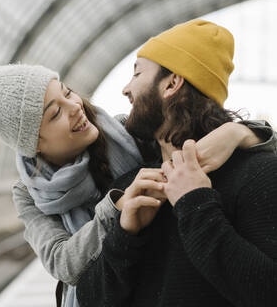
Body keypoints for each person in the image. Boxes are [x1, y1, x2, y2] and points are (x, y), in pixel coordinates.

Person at [75, 19, 277, 307]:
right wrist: (125, 236)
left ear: (171, 83)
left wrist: (196, 203)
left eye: (137, 73)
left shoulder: (258, 175)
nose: (125, 89)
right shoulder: (133, 187)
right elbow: (90, 300)